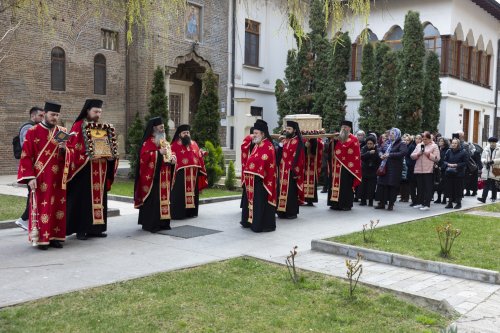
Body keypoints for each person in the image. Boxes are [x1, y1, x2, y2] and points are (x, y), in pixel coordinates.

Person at [64, 99, 119, 240]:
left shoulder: (101, 128)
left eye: (100, 112)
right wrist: (87, 155)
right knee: (83, 201)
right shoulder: (78, 126)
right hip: (84, 171)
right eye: (95, 111)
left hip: (100, 169)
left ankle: (96, 229)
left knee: (99, 200)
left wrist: (111, 156)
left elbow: (108, 147)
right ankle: (81, 230)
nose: (98, 114)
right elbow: (72, 148)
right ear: (87, 111)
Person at [17, 102, 66, 250]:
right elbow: (26, 156)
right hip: (40, 177)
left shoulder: (61, 131)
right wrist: (30, 177)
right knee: (42, 208)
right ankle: (41, 239)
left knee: (57, 207)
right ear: (45, 114)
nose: (55, 118)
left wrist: (65, 149)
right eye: (53, 115)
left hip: (57, 177)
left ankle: (55, 237)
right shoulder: (33, 131)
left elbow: (68, 156)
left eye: (57, 115)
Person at [134, 117, 176, 233]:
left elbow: (168, 157)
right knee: (154, 202)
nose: (163, 129)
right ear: (154, 128)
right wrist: (158, 153)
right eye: (160, 127)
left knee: (165, 200)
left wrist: (173, 160)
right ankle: (151, 224)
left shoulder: (165, 142)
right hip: (153, 179)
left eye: (163, 127)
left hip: (165, 177)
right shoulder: (147, 142)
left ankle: (163, 223)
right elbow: (144, 158)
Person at [241, 120, 276, 232]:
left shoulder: (268, 146)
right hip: (252, 180)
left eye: (256, 133)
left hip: (262, 181)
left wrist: (255, 170)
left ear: (263, 134)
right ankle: (249, 221)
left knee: (259, 203)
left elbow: (265, 162)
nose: (254, 135)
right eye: (254, 133)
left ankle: (259, 225)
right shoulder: (257, 145)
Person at [15, 106, 45, 231]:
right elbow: (27, 148)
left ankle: (26, 220)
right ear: (33, 116)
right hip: (30, 168)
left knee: (33, 194)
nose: (42, 118)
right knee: (33, 194)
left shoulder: (35, 127)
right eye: (40, 116)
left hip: (34, 167)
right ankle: (23, 220)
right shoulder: (28, 128)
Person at [170, 124, 208, 219]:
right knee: (180, 194)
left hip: (193, 174)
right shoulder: (174, 145)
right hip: (180, 174)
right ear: (179, 134)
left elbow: (198, 154)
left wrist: (202, 154)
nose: (186, 134)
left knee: (193, 193)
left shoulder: (194, 143)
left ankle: (191, 213)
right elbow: (171, 156)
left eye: (188, 132)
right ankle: (179, 214)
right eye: (184, 133)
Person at [327, 120, 362, 211]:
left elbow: (354, 154)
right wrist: (333, 142)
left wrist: (337, 142)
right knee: (334, 184)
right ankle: (334, 204)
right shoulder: (337, 138)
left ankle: (345, 204)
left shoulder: (354, 139)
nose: (343, 128)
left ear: (349, 128)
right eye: (342, 127)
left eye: (345, 127)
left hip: (347, 167)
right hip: (336, 166)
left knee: (345, 186)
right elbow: (331, 150)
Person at [276, 121, 305, 218]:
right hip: (282, 171)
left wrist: (295, 170)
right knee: (281, 191)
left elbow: (299, 157)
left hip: (291, 171)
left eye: (289, 129)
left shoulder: (298, 141)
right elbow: (279, 156)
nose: (287, 131)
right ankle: (281, 212)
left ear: (294, 130)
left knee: (291, 193)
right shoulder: (285, 140)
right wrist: (280, 145)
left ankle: (291, 213)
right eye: (286, 129)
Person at [375, 128, 407, 210]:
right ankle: (382, 203)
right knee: (382, 185)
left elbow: (402, 153)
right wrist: (381, 154)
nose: (390, 135)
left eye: (393, 133)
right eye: (390, 133)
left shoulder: (401, 143)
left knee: (392, 186)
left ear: (397, 134)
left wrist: (390, 155)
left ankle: (391, 204)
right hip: (384, 167)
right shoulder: (387, 142)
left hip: (394, 169)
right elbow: (379, 149)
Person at [411, 131, 440, 211]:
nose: (424, 141)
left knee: (428, 188)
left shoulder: (434, 146)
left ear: (430, 139)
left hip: (429, 170)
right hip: (419, 170)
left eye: (426, 139)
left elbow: (437, 158)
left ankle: (427, 204)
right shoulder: (419, 145)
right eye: (423, 139)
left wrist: (428, 154)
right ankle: (420, 202)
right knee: (420, 187)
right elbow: (412, 156)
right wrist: (418, 154)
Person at [442, 138, 467, 209]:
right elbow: (444, 161)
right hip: (449, 173)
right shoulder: (449, 151)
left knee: (458, 189)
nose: (453, 144)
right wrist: (448, 164)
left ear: (458, 144)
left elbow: (465, 163)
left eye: (455, 143)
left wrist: (456, 165)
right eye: (452, 143)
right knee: (449, 188)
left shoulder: (463, 152)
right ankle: (450, 203)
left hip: (458, 174)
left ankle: (458, 203)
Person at [359, 135, 380, 206]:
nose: (369, 145)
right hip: (364, 170)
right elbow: (361, 156)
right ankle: (363, 201)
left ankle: (370, 201)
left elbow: (379, 159)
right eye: (368, 143)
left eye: (371, 144)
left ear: (374, 144)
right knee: (363, 187)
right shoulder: (364, 148)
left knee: (371, 187)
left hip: (373, 171)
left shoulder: (377, 149)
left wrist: (375, 153)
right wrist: (369, 153)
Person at [478, 137, 500, 203]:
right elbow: (482, 157)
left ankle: (493, 197)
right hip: (487, 168)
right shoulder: (486, 149)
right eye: (491, 142)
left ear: (496, 142)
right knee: (486, 184)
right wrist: (485, 161)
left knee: (494, 184)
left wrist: (493, 161)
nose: (492, 144)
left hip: (496, 168)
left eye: (493, 142)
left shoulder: (499, 149)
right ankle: (483, 198)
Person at [239, 127, 255, 222]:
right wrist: (250, 140)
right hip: (248, 169)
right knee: (246, 190)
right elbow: (243, 147)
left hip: (255, 171)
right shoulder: (248, 139)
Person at [303, 137, 324, 205]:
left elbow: (319, 150)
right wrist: (305, 146)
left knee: (312, 181)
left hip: (313, 164)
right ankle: (303, 198)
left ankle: (310, 200)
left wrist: (311, 146)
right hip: (305, 163)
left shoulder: (318, 140)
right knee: (304, 180)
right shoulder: (304, 139)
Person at [435, 137, 450, 205]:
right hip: (438, 169)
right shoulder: (439, 149)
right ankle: (438, 198)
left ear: (445, 142)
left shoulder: (447, 150)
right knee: (439, 185)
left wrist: (442, 167)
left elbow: (446, 160)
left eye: (441, 141)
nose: (440, 142)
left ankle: (444, 199)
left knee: (444, 185)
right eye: (439, 141)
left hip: (444, 170)